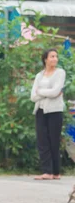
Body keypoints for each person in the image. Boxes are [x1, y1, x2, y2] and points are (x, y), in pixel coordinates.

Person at [30, 49, 66, 180]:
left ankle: (55, 172)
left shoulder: (60, 73)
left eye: (56, 56)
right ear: (45, 59)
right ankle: (47, 171)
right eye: (52, 56)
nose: (55, 59)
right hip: (40, 110)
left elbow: (56, 91)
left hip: (55, 110)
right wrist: (48, 92)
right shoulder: (39, 75)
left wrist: (41, 92)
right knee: (42, 140)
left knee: (54, 140)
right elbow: (33, 96)